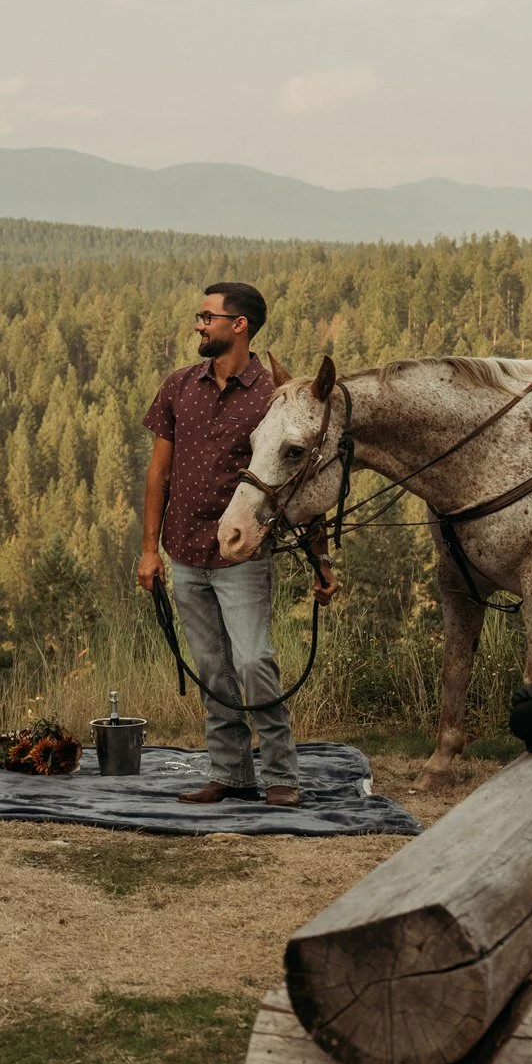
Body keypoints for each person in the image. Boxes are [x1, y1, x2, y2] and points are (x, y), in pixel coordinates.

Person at [136, 283, 332, 809]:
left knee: (252, 662)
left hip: (242, 555)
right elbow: (158, 474)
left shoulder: (272, 395)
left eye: (208, 316)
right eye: (200, 316)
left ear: (239, 325)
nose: (199, 324)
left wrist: (321, 558)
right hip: (184, 550)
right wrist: (149, 549)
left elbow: (298, 481)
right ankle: (231, 774)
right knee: (212, 669)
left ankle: (282, 776)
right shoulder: (178, 386)